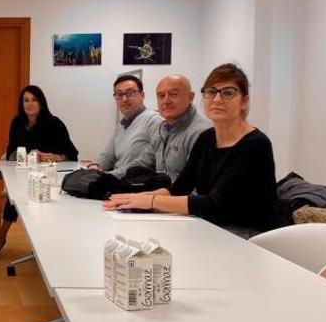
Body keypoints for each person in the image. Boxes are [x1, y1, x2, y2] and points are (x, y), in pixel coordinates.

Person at [104, 63, 277, 235]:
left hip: (244, 235)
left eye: (228, 93)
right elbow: (179, 188)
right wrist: (133, 198)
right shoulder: (207, 137)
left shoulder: (255, 144)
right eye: (211, 92)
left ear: (244, 101)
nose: (217, 99)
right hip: (209, 226)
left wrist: (151, 201)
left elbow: (214, 204)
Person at [0, 85, 79, 254]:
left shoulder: (54, 123)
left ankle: (23, 238)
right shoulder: (17, 122)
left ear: (41, 103)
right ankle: (3, 234)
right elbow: (10, 151)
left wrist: (53, 156)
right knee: (18, 191)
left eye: (34, 100)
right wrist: (20, 156)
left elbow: (72, 154)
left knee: (27, 190)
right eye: (25, 100)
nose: (30, 104)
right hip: (24, 170)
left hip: (49, 174)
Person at [134, 75, 211, 181]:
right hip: (162, 194)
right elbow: (142, 163)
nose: (166, 101)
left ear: (190, 97)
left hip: (176, 196)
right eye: (161, 96)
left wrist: (155, 197)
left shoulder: (202, 133)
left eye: (173, 94)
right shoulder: (162, 129)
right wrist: (110, 176)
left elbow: (198, 189)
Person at [87, 75, 161, 177]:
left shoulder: (155, 121)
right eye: (119, 94)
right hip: (118, 179)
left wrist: (108, 176)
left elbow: (147, 163)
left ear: (142, 95)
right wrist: (94, 166)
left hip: (136, 183)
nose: (124, 99)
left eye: (130, 93)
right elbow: (108, 154)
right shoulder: (121, 125)